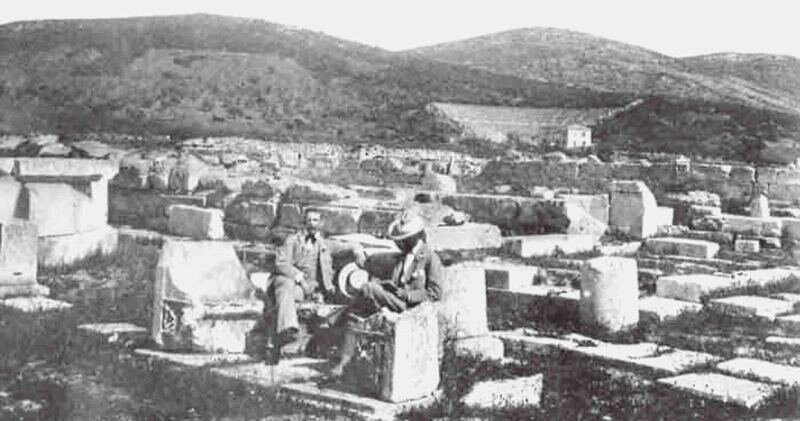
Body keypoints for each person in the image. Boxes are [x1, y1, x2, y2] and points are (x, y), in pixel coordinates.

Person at [327, 211, 443, 378]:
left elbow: (435, 292)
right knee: (357, 312)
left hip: (409, 305)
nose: (398, 244)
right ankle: (344, 363)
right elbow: (380, 264)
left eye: (401, 241)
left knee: (368, 288)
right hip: (396, 298)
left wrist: (408, 295)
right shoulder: (403, 257)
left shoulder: (430, 258)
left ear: (414, 238)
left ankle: (336, 318)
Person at [267, 209, 365, 358]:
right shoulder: (292, 240)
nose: (312, 224)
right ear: (303, 223)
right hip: (294, 283)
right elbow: (281, 264)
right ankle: (288, 329)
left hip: (313, 288)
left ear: (320, 224)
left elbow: (351, 246)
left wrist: (358, 252)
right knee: (284, 283)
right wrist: (299, 278)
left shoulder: (325, 244)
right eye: (309, 220)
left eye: (315, 220)